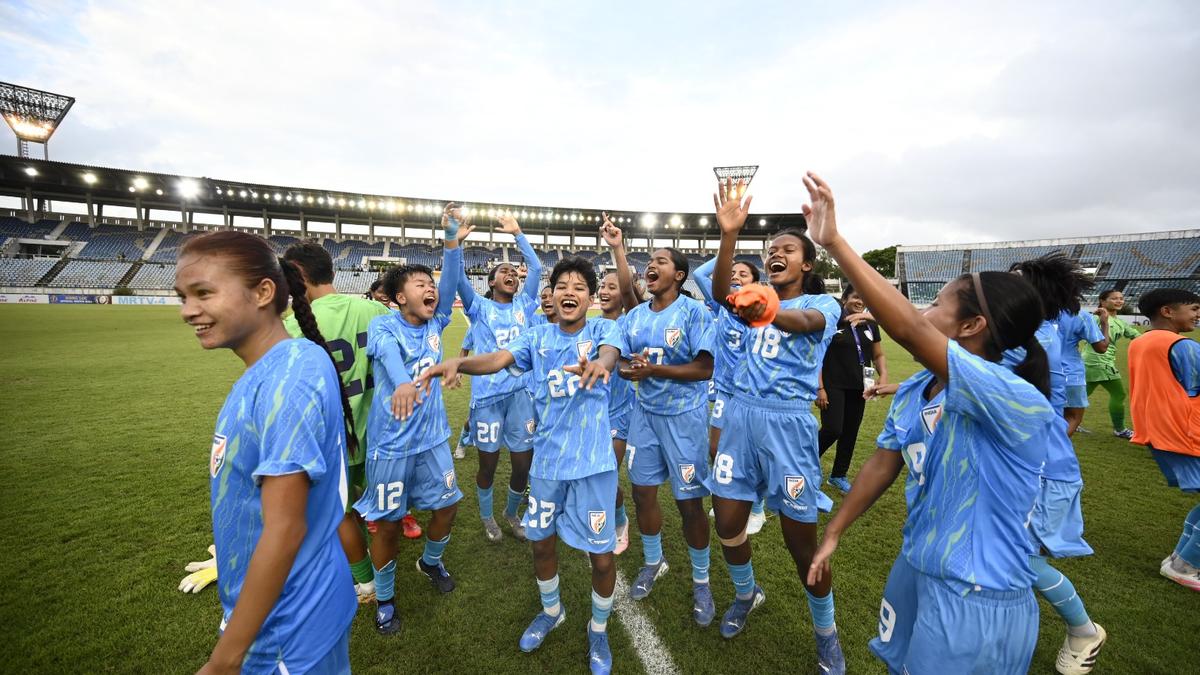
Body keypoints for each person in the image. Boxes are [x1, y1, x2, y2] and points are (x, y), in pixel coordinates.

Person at [804, 172, 1057, 675]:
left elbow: (910, 328)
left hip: (978, 592)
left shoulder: (1007, 393)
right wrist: (834, 530)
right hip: (920, 562)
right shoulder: (919, 388)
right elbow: (884, 461)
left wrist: (834, 243)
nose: (926, 310)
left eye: (939, 303)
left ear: (972, 326)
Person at [417, 256, 623, 675]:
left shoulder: (603, 330)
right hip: (546, 466)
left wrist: (600, 366)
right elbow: (497, 359)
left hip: (592, 466)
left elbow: (610, 355)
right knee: (540, 543)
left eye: (579, 287)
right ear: (554, 294)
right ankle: (552, 611)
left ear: (589, 298)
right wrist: (460, 362)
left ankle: (598, 629)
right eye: (562, 285)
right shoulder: (537, 336)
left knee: (601, 558)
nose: (569, 292)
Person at [174, 231, 356, 673]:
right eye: (182, 297)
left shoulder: (288, 378)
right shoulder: (280, 366)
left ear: (263, 292)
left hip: (286, 629)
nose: (187, 311)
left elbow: (285, 528)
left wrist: (223, 660)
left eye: (203, 293)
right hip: (293, 612)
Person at [706, 179, 845, 673]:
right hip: (740, 416)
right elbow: (722, 293)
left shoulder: (822, 306)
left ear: (807, 264)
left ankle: (826, 632)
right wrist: (729, 235)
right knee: (727, 523)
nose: (776, 254)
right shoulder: (751, 298)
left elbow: (803, 325)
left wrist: (762, 306)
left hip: (788, 425)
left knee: (801, 545)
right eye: (771, 250)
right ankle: (747, 594)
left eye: (787, 249)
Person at [356, 205, 467, 634]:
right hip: (391, 445)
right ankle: (385, 598)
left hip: (433, 439)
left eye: (430, 285)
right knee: (386, 525)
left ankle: (430, 562)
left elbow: (451, 282)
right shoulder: (384, 327)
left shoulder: (437, 321)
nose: (430, 289)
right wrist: (403, 382)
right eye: (420, 285)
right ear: (400, 297)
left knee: (448, 506)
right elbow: (386, 355)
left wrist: (452, 242)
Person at [602, 220, 717, 626]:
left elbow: (704, 368)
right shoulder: (635, 317)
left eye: (661, 261)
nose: (652, 265)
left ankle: (701, 581)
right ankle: (654, 562)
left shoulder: (694, 312)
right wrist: (627, 368)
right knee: (642, 494)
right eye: (650, 261)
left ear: (679, 275)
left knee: (690, 504)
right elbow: (623, 359)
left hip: (685, 420)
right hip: (644, 418)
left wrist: (654, 372)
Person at [1010, 254, 1108, 674]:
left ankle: (1083, 630)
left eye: (1014, 282)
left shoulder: (1031, 338)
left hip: (1042, 469)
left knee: (1021, 557)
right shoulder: (1035, 332)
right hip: (1026, 462)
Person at [281, 240, 391, 605]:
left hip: (332, 438)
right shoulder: (374, 310)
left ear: (298, 274)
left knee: (341, 514)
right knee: (381, 511)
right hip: (379, 434)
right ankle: (385, 582)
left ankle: (367, 584)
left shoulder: (293, 326)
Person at [455, 213, 544, 542]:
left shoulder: (525, 305)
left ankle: (511, 512)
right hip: (488, 401)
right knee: (488, 466)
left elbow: (536, 268)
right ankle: (487, 515)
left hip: (521, 398)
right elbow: (458, 277)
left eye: (513, 272)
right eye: (503, 272)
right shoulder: (478, 307)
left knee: (523, 465)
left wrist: (518, 233)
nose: (511, 275)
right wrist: (456, 245)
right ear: (491, 282)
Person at [692, 250, 771, 535]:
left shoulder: (764, 310)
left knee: (751, 451)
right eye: (733, 273)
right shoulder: (722, 304)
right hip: (725, 389)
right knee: (716, 448)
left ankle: (757, 506)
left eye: (743, 274)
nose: (736, 277)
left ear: (755, 283)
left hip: (751, 391)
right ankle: (731, 492)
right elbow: (699, 274)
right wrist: (727, 254)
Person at [1128, 288, 1200, 591]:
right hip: (1185, 431)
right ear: (1167, 311)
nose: (1197, 315)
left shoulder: (1140, 341)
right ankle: (1185, 565)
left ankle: (1180, 560)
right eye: (1193, 308)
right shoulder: (1183, 346)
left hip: (1157, 431)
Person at [816, 285, 889, 494]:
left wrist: (883, 375)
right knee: (832, 429)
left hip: (859, 386)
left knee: (850, 432)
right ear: (845, 298)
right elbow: (817, 355)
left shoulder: (870, 324)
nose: (860, 302)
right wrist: (820, 388)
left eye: (863, 298)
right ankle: (802, 464)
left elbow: (878, 355)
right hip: (832, 385)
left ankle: (838, 475)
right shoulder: (833, 320)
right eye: (856, 297)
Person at [1047, 257, 1108, 436]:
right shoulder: (1081, 316)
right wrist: (1104, 323)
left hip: (1039, 372)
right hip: (1070, 375)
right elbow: (1101, 347)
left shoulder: (1037, 312)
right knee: (1072, 416)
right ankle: (1056, 448)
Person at [597, 263, 633, 555]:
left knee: (607, 477)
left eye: (612, 286)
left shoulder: (630, 326)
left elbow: (631, 366)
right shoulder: (590, 325)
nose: (604, 291)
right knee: (592, 476)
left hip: (619, 413)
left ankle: (621, 521)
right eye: (602, 286)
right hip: (591, 414)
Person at [1084, 289, 1143, 438]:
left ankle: (1064, 420)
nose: (1119, 301)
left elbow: (1135, 335)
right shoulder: (1097, 318)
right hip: (1099, 362)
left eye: (1121, 298)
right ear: (1102, 301)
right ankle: (1120, 429)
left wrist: (1155, 337)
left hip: (1093, 362)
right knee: (1119, 394)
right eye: (1114, 298)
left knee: (1081, 395)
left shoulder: (1119, 322)